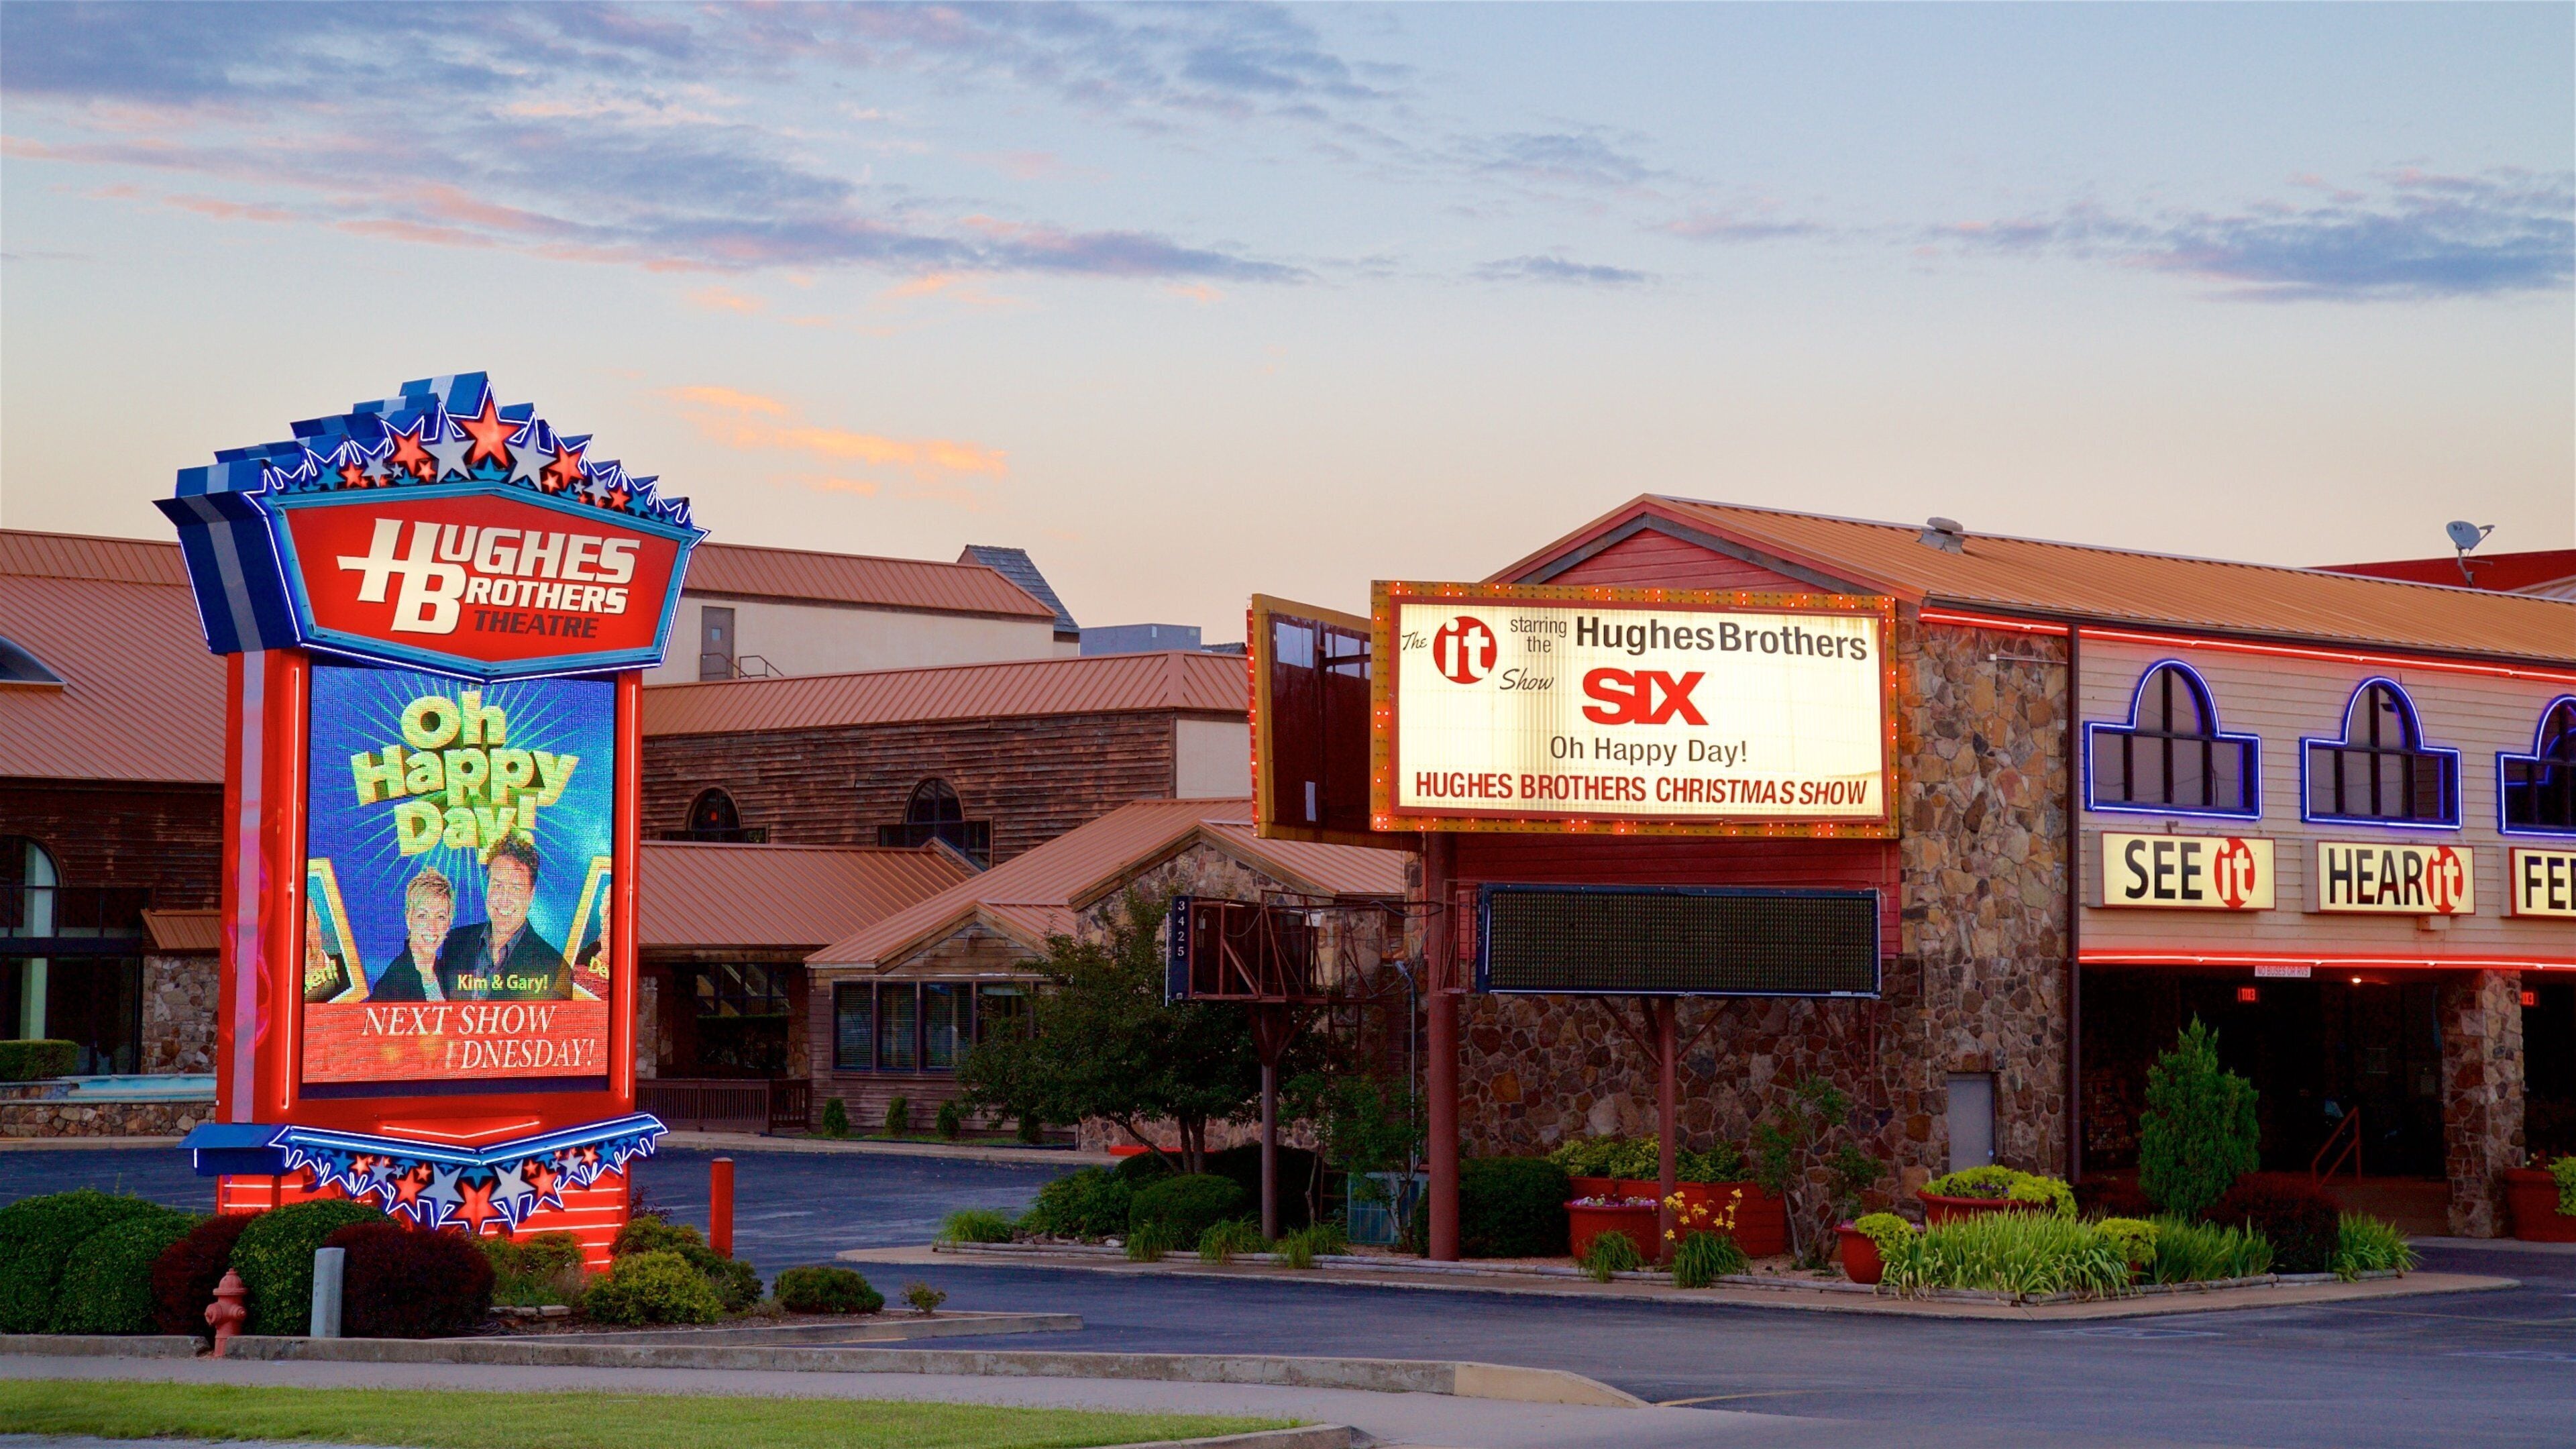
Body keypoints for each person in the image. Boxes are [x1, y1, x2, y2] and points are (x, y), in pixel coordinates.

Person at [435, 835, 569, 1000]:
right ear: (488, 888)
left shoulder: (555, 967)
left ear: (531, 895)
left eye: (516, 888)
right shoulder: (455, 942)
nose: (504, 899)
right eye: (498, 885)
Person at [366, 868, 453, 1002]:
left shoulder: (449, 973)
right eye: (423, 916)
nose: (432, 926)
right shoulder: (393, 983)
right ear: (409, 918)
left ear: (448, 923)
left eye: (440, 917)